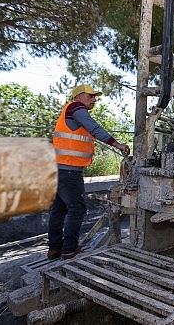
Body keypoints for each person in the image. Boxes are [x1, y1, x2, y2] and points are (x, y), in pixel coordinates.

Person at [48, 84, 130, 260]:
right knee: (76, 209)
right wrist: (117, 144)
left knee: (59, 209)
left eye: (95, 97)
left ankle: (55, 248)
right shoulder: (76, 108)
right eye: (90, 96)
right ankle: (69, 250)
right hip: (69, 171)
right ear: (78, 96)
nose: (94, 99)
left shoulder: (69, 112)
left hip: (60, 168)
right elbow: (95, 128)